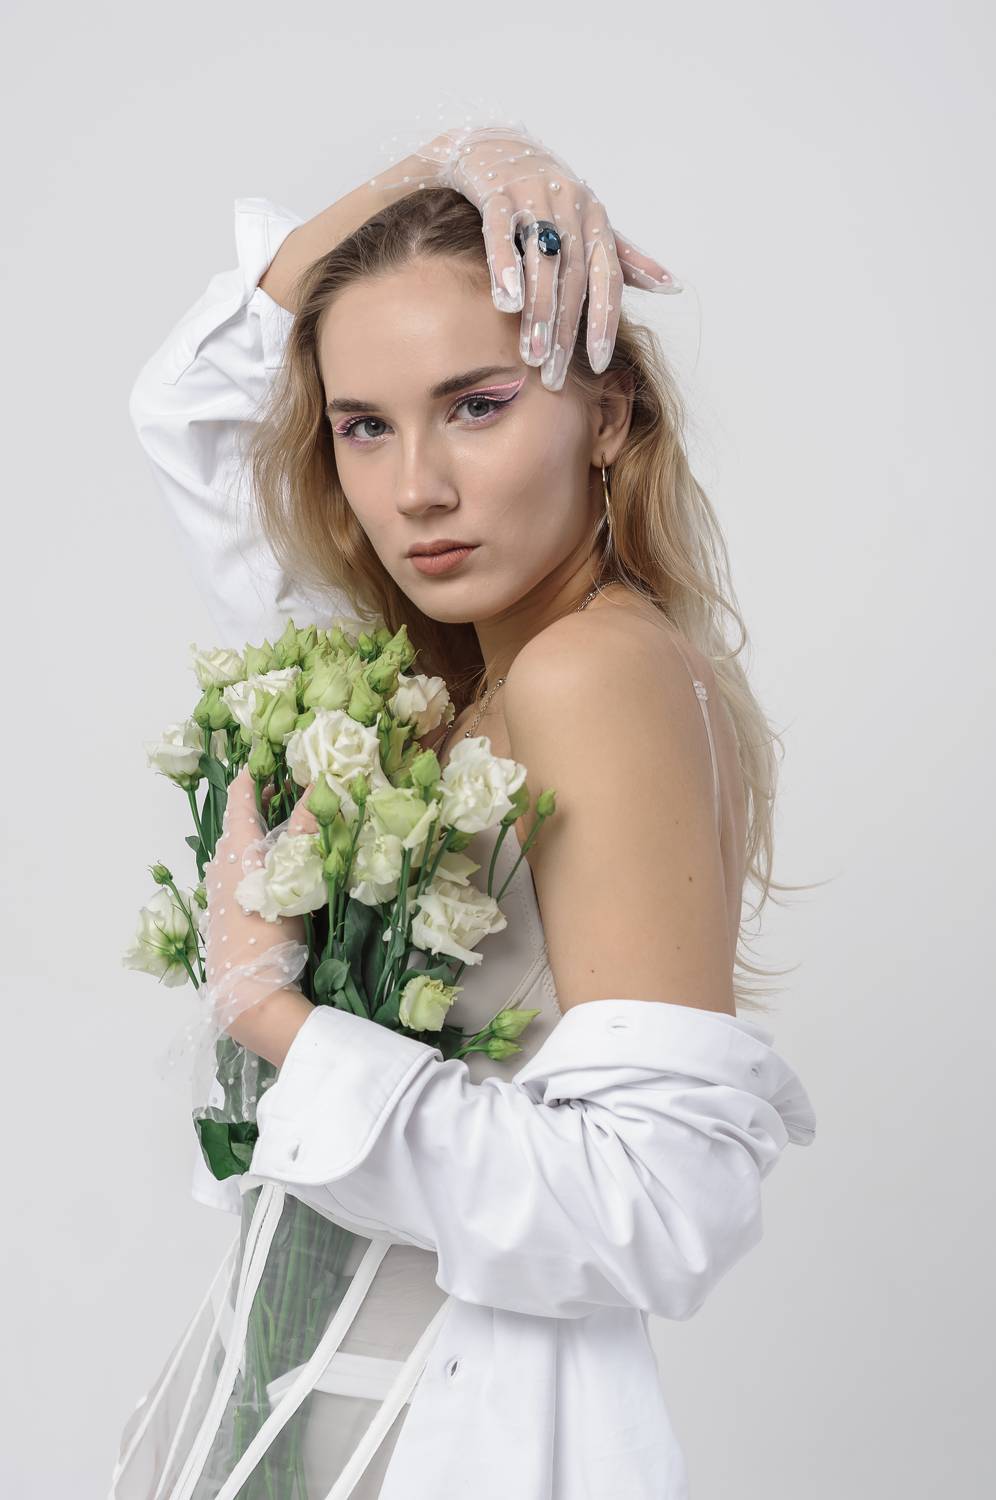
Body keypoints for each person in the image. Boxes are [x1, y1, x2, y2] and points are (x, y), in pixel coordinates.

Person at [112, 124, 817, 1500]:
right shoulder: (439, 681)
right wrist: (446, 162)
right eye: (365, 426)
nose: (415, 489)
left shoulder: (588, 673)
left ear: (607, 414)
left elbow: (662, 1206)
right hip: (285, 1424)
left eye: (478, 405)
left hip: (446, 1445)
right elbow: (192, 412)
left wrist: (279, 1022)